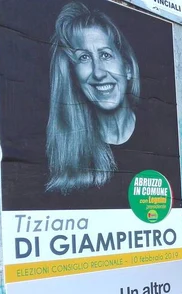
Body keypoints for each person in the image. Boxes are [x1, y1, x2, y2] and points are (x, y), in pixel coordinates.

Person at [46, 1, 140, 194]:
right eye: (84, 57)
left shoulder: (165, 133)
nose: (98, 73)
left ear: (128, 68)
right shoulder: (65, 158)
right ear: (73, 77)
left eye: (105, 55)